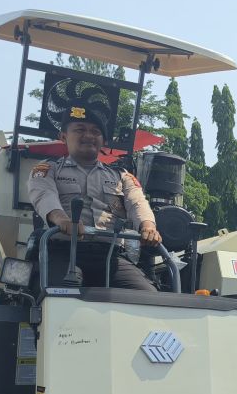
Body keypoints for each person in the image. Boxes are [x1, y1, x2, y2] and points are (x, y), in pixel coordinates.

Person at [28, 97, 161, 291]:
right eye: (80, 129)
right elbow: (43, 195)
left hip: (110, 256)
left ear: (103, 141)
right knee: (62, 293)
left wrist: (148, 226)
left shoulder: (121, 176)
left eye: (95, 132)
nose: (89, 135)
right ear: (63, 136)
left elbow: (137, 202)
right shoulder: (48, 169)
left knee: (148, 297)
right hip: (63, 251)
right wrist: (62, 220)